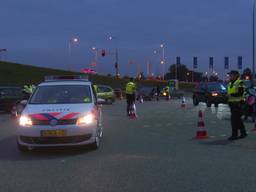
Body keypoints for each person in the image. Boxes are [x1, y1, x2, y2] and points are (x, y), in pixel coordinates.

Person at [227, 70, 247, 140]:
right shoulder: (230, 83)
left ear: (235, 75)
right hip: (232, 104)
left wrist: (230, 95)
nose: (229, 76)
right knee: (238, 120)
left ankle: (234, 135)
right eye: (229, 75)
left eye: (231, 75)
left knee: (234, 120)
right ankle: (243, 133)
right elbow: (230, 94)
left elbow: (240, 93)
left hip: (238, 104)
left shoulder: (240, 82)